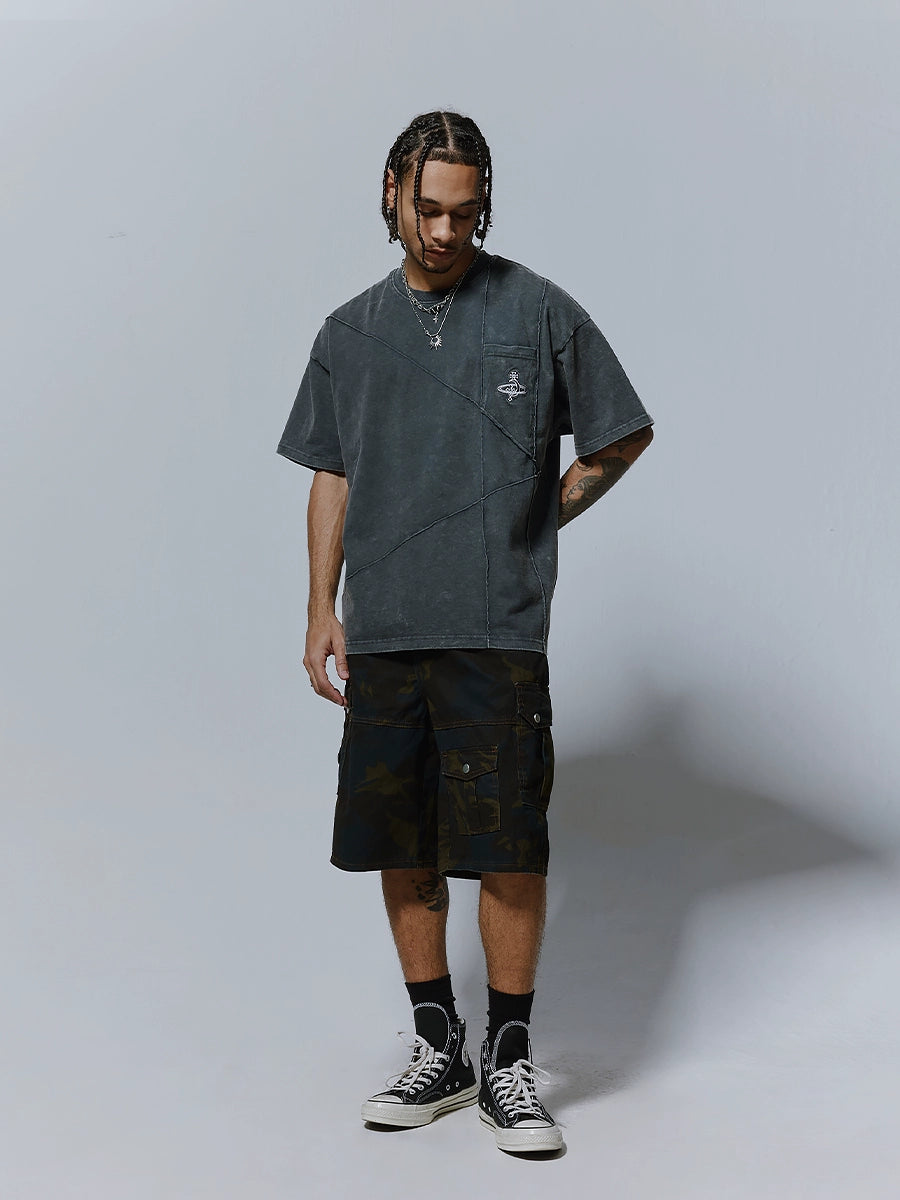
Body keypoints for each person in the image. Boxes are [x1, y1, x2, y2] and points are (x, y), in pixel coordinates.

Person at [277, 111, 653, 1154]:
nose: (446, 231)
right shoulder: (349, 331)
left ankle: (511, 1058)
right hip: (385, 628)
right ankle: (439, 1044)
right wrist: (320, 607)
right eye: (429, 209)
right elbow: (331, 471)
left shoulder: (536, 309)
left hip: (497, 627)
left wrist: (539, 515)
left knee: (507, 846)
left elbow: (622, 434)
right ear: (392, 192)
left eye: (466, 212)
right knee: (403, 841)